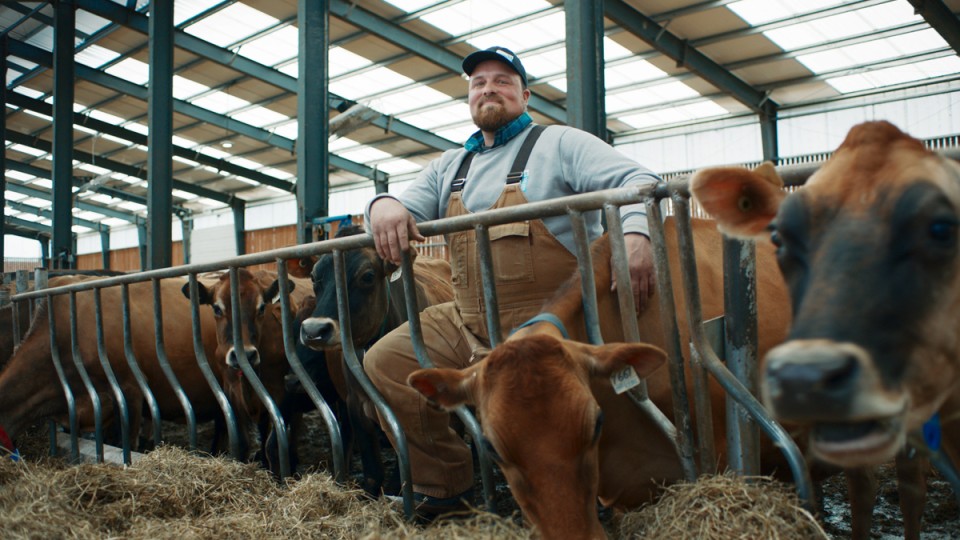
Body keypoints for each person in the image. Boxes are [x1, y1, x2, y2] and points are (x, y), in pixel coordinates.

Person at [362, 46, 660, 518]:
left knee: (550, 405)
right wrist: (381, 204)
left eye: (502, 81)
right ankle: (445, 488)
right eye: (478, 84)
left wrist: (637, 234)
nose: (488, 89)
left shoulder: (561, 143)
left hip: (551, 324)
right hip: (468, 320)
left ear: (524, 94)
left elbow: (635, 180)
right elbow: (400, 209)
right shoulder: (449, 166)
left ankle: (577, 499)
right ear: (469, 100)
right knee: (386, 361)